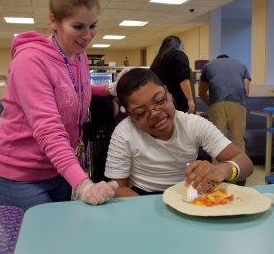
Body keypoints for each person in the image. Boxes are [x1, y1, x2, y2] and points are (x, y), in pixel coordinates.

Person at [0, 0, 121, 211]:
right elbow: (48, 130)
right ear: (53, 21)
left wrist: (107, 88)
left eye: (93, 25)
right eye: (78, 26)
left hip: (59, 167)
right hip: (20, 173)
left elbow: (70, 90)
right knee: (38, 243)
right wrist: (83, 184)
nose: (87, 35)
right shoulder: (30, 61)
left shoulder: (77, 54)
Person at [104, 68, 253, 197]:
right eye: (141, 113)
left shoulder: (193, 124)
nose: (155, 113)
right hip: (142, 196)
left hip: (187, 194)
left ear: (168, 93)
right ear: (130, 116)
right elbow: (118, 188)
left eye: (160, 100)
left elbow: (245, 162)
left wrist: (224, 169)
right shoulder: (124, 133)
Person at [198, 54, 251, 152]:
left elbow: (201, 92)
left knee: (217, 141)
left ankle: (219, 167)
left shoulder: (208, 65)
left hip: (217, 102)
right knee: (238, 141)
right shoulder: (242, 65)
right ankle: (238, 166)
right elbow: (246, 92)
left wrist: (211, 105)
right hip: (238, 103)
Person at [150, 35, 196, 114]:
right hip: (179, 102)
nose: (183, 49)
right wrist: (190, 100)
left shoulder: (157, 60)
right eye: (183, 47)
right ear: (178, 45)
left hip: (162, 102)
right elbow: (183, 78)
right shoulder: (178, 54)